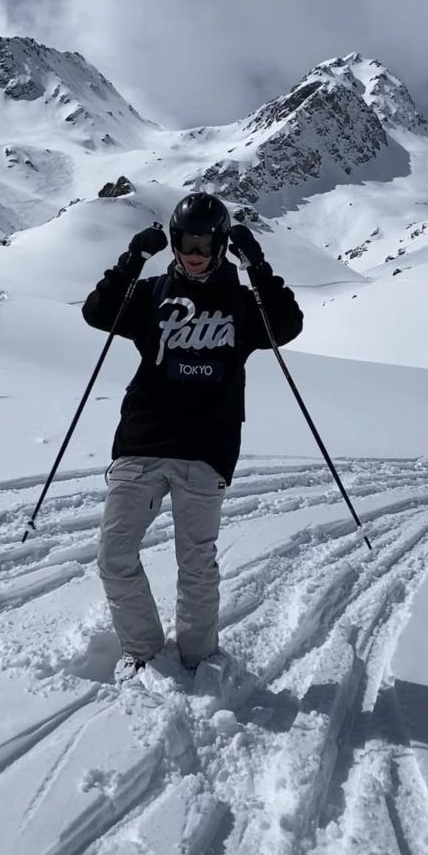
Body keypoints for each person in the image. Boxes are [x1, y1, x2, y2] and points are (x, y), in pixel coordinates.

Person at [82, 192, 303, 681]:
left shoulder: (242, 303)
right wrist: (131, 261)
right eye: (185, 241)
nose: (194, 252)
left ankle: (197, 661)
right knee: (114, 555)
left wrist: (257, 266)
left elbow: (287, 325)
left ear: (221, 244)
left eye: (204, 242)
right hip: (142, 443)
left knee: (197, 564)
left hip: (206, 451)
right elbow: (97, 312)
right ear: (174, 241)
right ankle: (142, 651)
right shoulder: (151, 294)